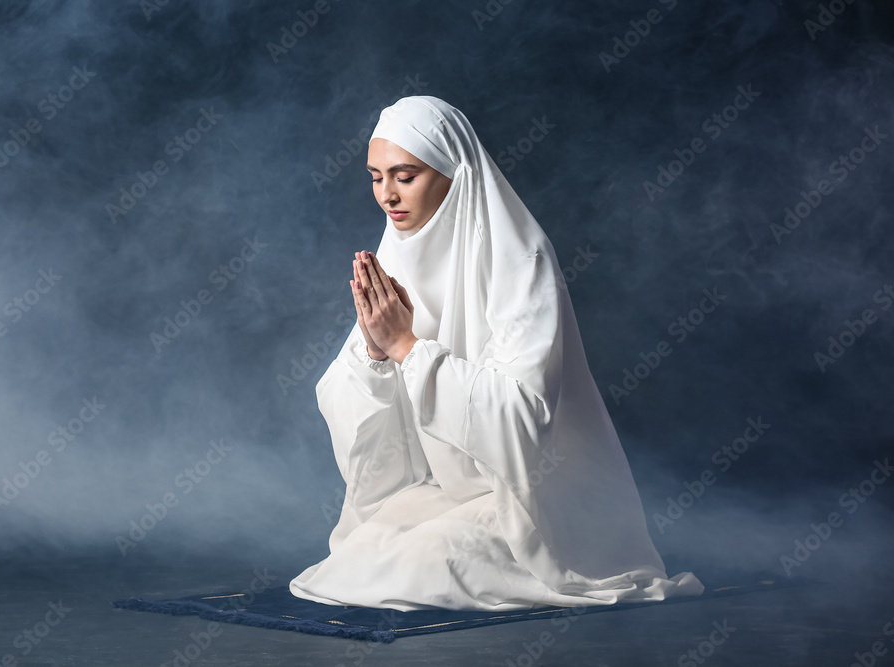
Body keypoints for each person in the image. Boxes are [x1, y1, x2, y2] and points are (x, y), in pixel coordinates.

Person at [289, 95, 704, 611]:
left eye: (405, 175)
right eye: (375, 177)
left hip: (539, 503)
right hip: (457, 493)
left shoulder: (521, 262)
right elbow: (346, 410)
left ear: (453, 173)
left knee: (420, 566)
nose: (387, 196)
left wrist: (406, 348)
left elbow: (521, 418)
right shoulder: (396, 253)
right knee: (356, 555)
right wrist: (375, 356)